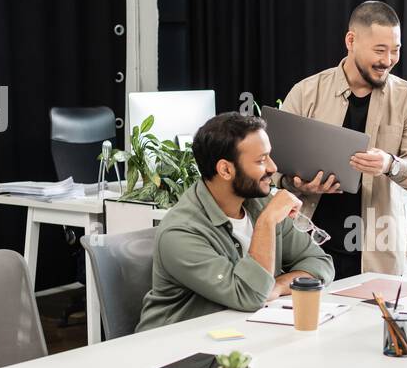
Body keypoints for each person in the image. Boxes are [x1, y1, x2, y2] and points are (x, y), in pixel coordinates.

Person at [280, 0, 407, 279]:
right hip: (307, 249)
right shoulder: (306, 93)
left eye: (395, 50)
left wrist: (391, 164)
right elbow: (273, 169)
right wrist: (296, 183)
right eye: (379, 50)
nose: (388, 60)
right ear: (351, 41)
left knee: (375, 324)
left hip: (379, 255)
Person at [136, 112, 334, 330]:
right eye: (261, 160)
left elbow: (320, 264)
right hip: (175, 349)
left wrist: (277, 287)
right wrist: (266, 223)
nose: (273, 168)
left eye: (269, 156)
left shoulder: (260, 203)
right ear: (226, 169)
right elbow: (251, 296)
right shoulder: (180, 232)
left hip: (237, 336)